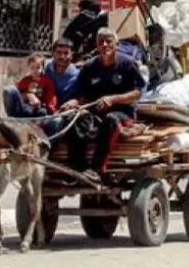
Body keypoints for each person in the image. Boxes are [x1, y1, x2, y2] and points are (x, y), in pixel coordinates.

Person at [60, 28, 146, 181]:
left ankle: (97, 168)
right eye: (101, 42)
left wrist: (113, 99)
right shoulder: (89, 67)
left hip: (123, 113)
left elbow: (138, 92)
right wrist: (73, 102)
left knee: (111, 120)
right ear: (97, 45)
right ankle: (79, 167)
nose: (105, 45)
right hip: (97, 112)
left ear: (116, 44)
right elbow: (82, 95)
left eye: (109, 41)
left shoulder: (128, 64)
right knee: (75, 119)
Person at [2, 53, 58, 118]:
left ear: (43, 68)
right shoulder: (25, 80)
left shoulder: (47, 81)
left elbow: (51, 96)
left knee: (42, 112)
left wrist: (50, 108)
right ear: (28, 67)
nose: (35, 70)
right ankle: (13, 117)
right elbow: (18, 92)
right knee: (27, 111)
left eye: (38, 67)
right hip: (28, 106)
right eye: (32, 67)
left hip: (41, 106)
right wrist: (28, 96)